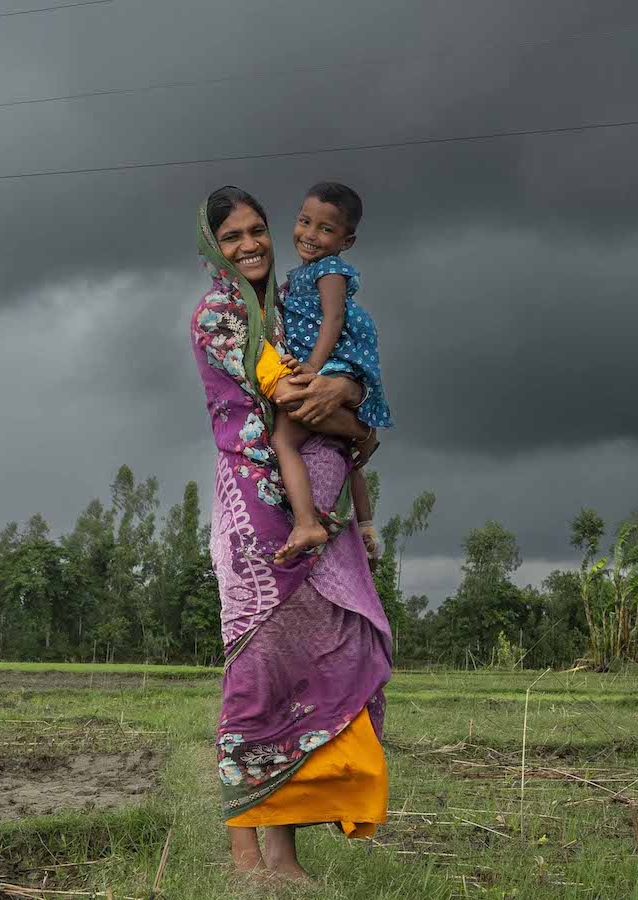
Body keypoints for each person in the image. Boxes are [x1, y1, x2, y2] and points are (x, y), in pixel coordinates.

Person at [190, 186, 393, 883]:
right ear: (211, 247)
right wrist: (359, 425)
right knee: (257, 670)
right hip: (256, 512)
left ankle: (279, 851)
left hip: (307, 511)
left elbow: (339, 377)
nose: (248, 244)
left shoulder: (288, 305)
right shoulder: (221, 314)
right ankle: (250, 854)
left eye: (257, 230)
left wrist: (352, 402)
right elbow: (292, 398)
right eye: (230, 237)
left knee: (302, 672)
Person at [261, 182, 391, 564]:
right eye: (305, 222)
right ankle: (365, 525)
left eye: (326, 229)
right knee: (347, 452)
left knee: (285, 439)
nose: (310, 235)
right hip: (319, 365)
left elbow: (333, 319)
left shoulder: (331, 270)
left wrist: (314, 367)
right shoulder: (296, 277)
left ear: (346, 241)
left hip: (330, 366)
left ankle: (306, 522)